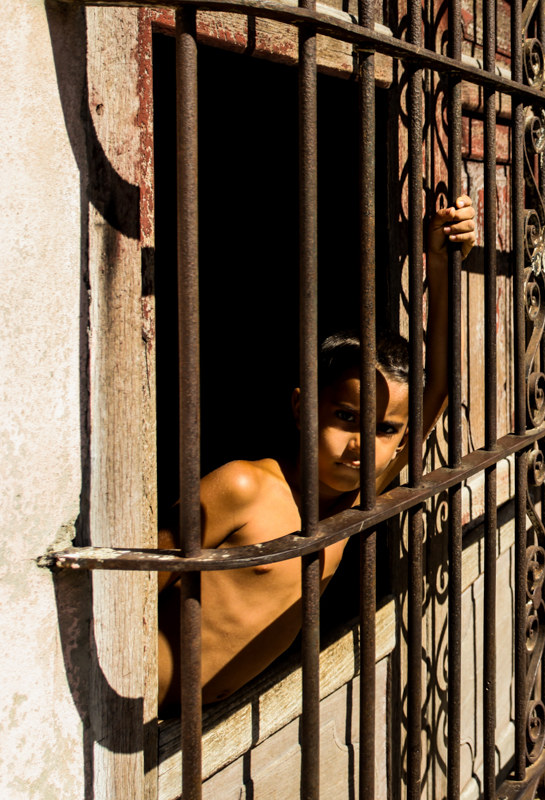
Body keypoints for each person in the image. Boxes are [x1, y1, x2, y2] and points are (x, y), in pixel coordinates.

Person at [156, 196, 477, 709]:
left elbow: (436, 388)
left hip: (210, 720)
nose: (358, 445)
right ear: (303, 407)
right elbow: (135, 585)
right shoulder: (246, 487)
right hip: (142, 712)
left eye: (382, 429)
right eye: (345, 417)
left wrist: (440, 263)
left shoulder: (358, 498)